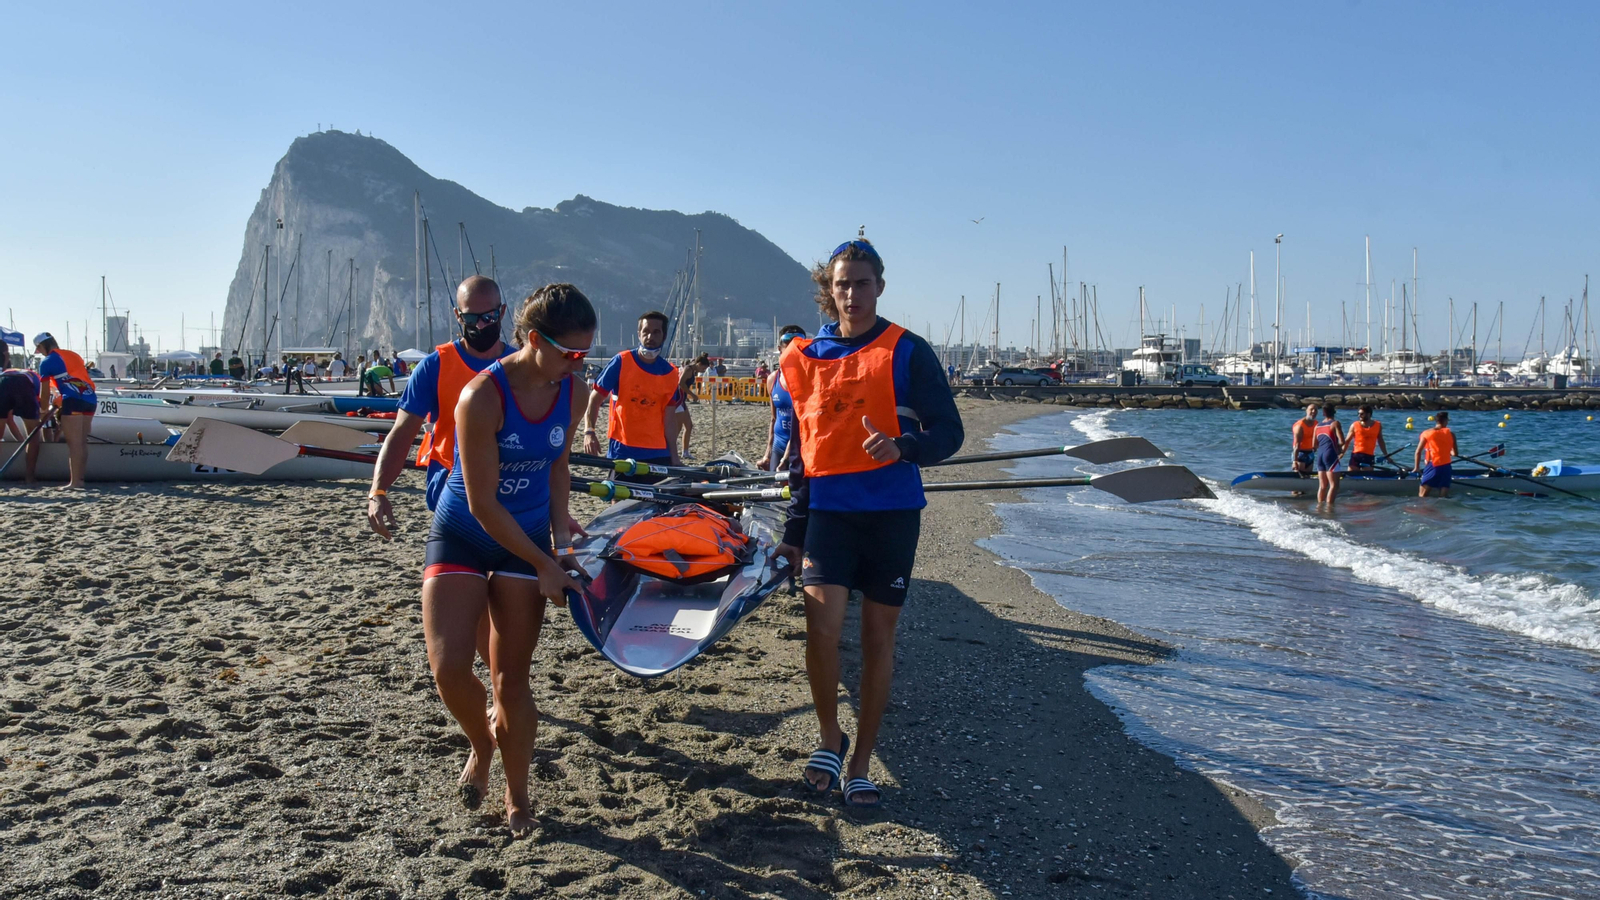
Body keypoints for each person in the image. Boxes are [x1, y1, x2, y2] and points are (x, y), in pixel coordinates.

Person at [772, 238, 964, 809]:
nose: (852, 294)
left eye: (861, 282)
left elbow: (948, 433)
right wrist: (791, 532)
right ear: (828, 292)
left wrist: (904, 448)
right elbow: (804, 457)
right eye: (841, 284)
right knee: (822, 633)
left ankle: (861, 762)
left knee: (878, 640)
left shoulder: (909, 351)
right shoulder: (805, 357)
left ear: (879, 285)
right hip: (829, 517)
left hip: (891, 517)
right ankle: (831, 737)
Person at [433, 282, 593, 835]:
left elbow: (556, 469)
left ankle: (518, 798)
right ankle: (481, 743)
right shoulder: (481, 396)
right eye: (569, 353)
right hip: (464, 532)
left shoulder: (572, 393)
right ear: (531, 339)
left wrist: (561, 545)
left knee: (511, 681)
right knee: (451, 669)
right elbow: (481, 504)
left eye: (585, 354)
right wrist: (545, 563)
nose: (578, 364)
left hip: (525, 538)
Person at [367, 276, 520, 812]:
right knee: (469, 638)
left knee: (498, 639)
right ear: (458, 318)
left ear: (504, 311)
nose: (483, 325)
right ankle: (483, 741)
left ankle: (503, 715)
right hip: (454, 505)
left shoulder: (521, 365)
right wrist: (379, 490)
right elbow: (402, 433)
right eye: (472, 318)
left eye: (491, 316)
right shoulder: (436, 366)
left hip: (512, 508)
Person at [582, 311, 680, 469]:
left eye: (656, 332)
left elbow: (669, 419)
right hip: (622, 451)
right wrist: (589, 432)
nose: (650, 337)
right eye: (646, 331)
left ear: (664, 336)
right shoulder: (621, 361)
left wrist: (674, 457)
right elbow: (595, 398)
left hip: (658, 454)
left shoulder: (671, 373)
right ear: (639, 334)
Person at [33, 333, 96, 490]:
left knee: (74, 445)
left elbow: (45, 392)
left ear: (42, 347)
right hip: (90, 399)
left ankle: (74, 483)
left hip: (73, 400)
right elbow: (80, 380)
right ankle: (80, 480)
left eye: (39, 349)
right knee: (81, 443)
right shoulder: (74, 355)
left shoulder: (47, 362)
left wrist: (42, 412)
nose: (39, 352)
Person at [757, 325, 806, 471]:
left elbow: (803, 424)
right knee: (775, 491)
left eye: (797, 342)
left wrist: (786, 458)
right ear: (780, 348)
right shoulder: (773, 379)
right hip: (779, 444)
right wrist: (767, 453)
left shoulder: (808, 378)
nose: (792, 346)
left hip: (800, 447)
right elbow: (774, 418)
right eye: (787, 342)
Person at [0, 367, 42, 482]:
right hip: (24, 383)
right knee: (33, 434)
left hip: (2, 381)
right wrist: (24, 441)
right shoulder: (37, 378)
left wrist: (21, 441)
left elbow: (8, 419)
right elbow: (40, 411)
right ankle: (29, 477)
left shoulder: (8, 372)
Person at [671, 353, 711, 460]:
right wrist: (692, 394)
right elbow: (680, 383)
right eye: (703, 367)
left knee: (688, 426)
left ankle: (684, 451)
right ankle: (672, 450)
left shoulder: (692, 370)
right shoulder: (688, 369)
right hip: (678, 400)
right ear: (699, 364)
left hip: (682, 400)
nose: (703, 370)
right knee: (680, 427)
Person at [1413, 410, 1456, 497]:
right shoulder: (1451, 434)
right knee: (1443, 497)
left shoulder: (1427, 433)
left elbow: (1418, 451)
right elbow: (1455, 453)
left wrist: (1416, 467)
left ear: (1436, 421)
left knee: (1422, 496)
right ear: (1445, 421)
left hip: (1433, 466)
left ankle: (1425, 510)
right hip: (1447, 467)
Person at [1313, 404, 1346, 504]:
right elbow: (1342, 441)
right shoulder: (1335, 423)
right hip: (1330, 454)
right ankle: (1329, 509)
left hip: (1320, 456)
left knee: (1322, 486)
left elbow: (1314, 445)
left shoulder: (1317, 426)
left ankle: (1319, 506)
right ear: (1334, 412)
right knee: (1334, 485)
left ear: (1323, 413)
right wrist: (1339, 449)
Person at [1347, 406, 1389, 472]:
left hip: (1368, 456)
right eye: (1358, 414)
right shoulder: (1354, 425)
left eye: (1362, 414)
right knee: (1351, 477)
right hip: (1355, 455)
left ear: (1368, 414)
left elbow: (1381, 441)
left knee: (1367, 478)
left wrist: (1386, 455)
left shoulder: (1378, 425)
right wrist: (1341, 453)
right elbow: (1347, 441)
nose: (1359, 416)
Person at [1291, 403, 1317, 476]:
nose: (1314, 411)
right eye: (1311, 409)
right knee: (1300, 478)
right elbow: (1296, 445)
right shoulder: (1299, 426)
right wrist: (1295, 461)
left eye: (1315, 410)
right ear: (1306, 411)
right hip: (1300, 453)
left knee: (1308, 477)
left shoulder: (1316, 424)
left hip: (1310, 453)